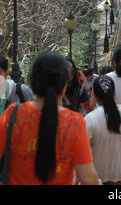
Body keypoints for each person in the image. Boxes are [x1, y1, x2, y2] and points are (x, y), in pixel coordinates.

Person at [0, 52, 99, 185]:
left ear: (33, 82)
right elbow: (89, 179)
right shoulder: (74, 122)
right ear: (64, 85)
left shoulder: (12, 114)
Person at [85, 76, 121, 185]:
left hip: (99, 171)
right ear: (113, 92)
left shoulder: (90, 119)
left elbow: (84, 149)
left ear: (95, 94)